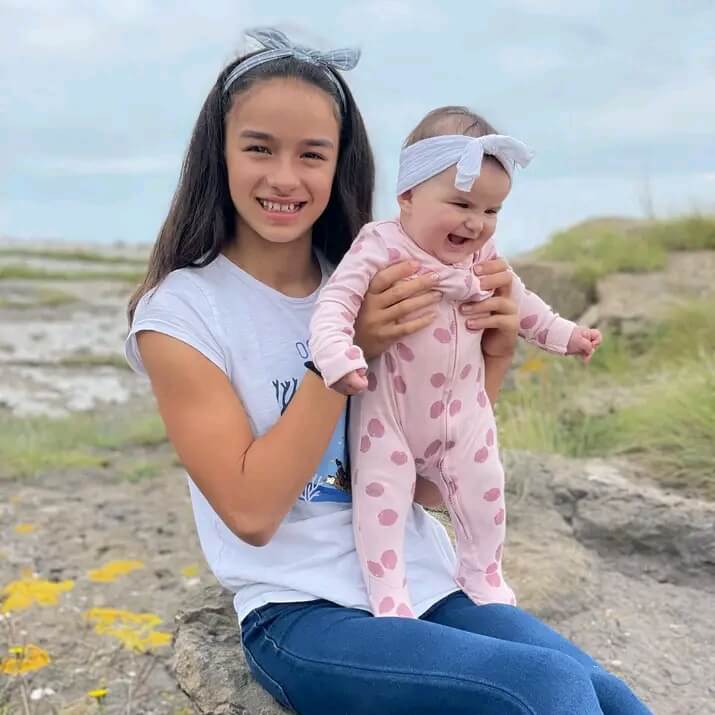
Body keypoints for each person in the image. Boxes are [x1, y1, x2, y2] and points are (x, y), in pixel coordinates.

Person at [125, 27, 650, 715]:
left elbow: (431, 483)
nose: (285, 177)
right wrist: (348, 349)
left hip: (422, 585)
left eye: (311, 154)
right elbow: (251, 512)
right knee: (545, 689)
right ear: (217, 155)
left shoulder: (388, 275)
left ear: (339, 166)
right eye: (259, 147)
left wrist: (492, 356)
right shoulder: (183, 312)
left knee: (608, 695)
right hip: (302, 613)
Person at [308, 106, 602, 618]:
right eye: (462, 204)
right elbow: (335, 303)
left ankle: (482, 573)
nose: (477, 223)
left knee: (486, 495)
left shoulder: (480, 258)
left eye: (492, 212)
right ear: (407, 197)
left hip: (466, 415)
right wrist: (338, 353)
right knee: (380, 506)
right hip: (391, 418)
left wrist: (568, 335)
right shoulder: (379, 245)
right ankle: (388, 594)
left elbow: (524, 304)